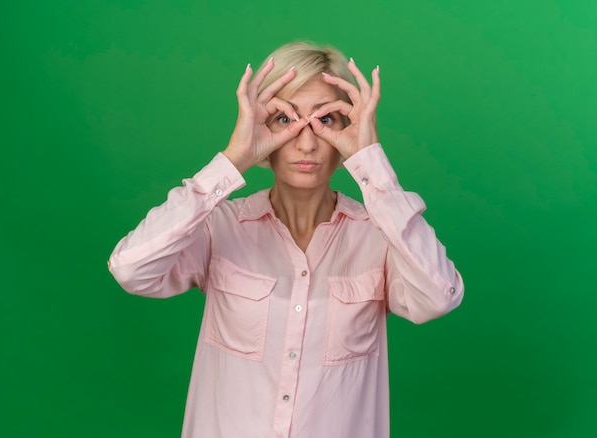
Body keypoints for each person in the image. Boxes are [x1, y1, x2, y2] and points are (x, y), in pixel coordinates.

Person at [108, 41, 464, 438]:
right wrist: (233, 158)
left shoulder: (381, 237)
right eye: (285, 119)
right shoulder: (218, 226)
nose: (307, 142)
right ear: (261, 126)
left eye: (326, 120)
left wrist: (373, 165)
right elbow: (130, 269)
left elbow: (439, 296)